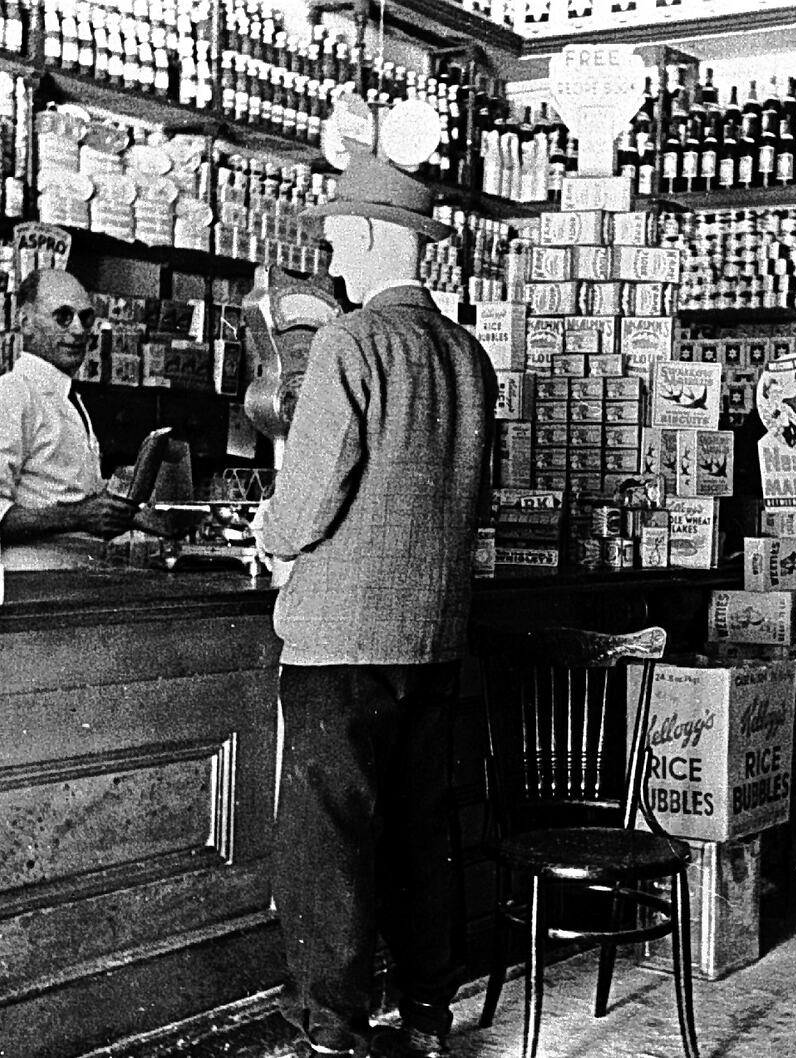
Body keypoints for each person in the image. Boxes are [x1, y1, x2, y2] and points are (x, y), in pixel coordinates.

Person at [255, 146, 496, 1058]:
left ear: (367, 233)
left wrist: (270, 536)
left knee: (330, 838)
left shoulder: (351, 342)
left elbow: (312, 495)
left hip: (340, 635)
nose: (334, 259)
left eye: (337, 237)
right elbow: (470, 494)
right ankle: (431, 1012)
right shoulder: (466, 354)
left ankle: (333, 1027)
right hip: (433, 632)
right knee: (420, 829)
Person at [0, 268, 139, 569]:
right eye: (62, 316)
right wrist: (78, 516)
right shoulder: (8, 395)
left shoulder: (69, 399)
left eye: (85, 318)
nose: (78, 330)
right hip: (29, 582)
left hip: (75, 576)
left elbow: (71, 492)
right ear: (26, 322)